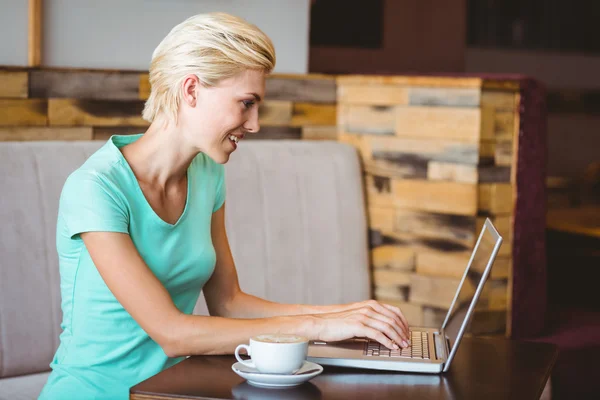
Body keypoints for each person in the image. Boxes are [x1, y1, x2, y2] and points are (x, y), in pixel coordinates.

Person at [39, 12, 410, 399]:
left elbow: (229, 303)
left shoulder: (207, 174)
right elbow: (173, 334)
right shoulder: (96, 188)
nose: (254, 124)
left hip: (170, 391)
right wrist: (318, 327)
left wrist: (348, 315)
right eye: (246, 103)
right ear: (191, 90)